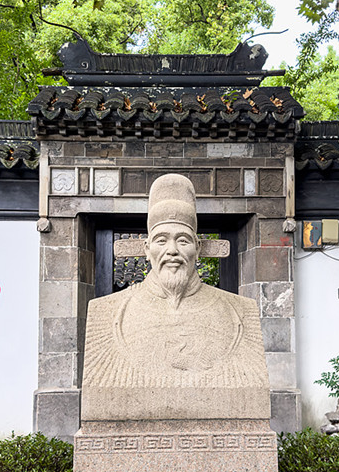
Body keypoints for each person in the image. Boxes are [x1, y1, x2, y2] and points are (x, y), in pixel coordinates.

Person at [81, 173, 269, 421]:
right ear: (147, 249)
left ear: (197, 248)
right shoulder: (106, 311)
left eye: (183, 240)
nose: (172, 251)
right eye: (161, 240)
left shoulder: (240, 310)